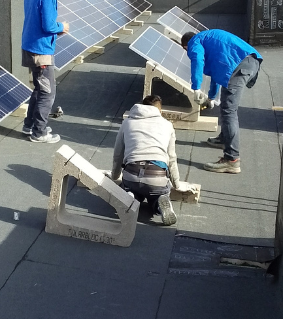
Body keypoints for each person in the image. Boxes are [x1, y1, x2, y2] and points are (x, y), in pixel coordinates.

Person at [180, 30, 262, 174]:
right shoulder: (209, 39)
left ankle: (232, 160)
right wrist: (211, 97)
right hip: (248, 62)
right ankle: (224, 138)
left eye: (186, 50)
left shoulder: (195, 42)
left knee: (229, 111)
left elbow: (197, 59)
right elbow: (217, 74)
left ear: (186, 45)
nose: (188, 52)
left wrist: (196, 87)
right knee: (225, 105)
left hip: (239, 65)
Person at [111, 95, 188, 226]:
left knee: (131, 189)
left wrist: (115, 176)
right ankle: (160, 202)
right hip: (156, 176)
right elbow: (171, 158)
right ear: (160, 111)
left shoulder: (127, 122)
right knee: (157, 194)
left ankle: (129, 196)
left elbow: (118, 153)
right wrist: (177, 184)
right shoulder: (167, 125)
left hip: (132, 174)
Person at [21, 0, 69, 143]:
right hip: (41, 51)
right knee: (48, 93)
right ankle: (39, 132)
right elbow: (49, 25)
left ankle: (29, 125)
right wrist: (61, 27)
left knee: (40, 89)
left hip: (29, 46)